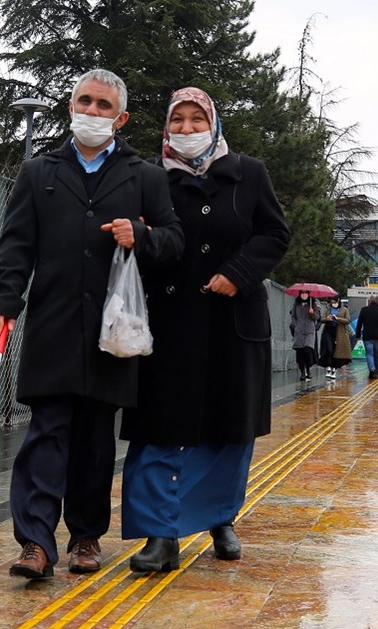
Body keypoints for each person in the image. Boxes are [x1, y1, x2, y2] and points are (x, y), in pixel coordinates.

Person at [0, 69, 184, 580]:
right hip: (53, 322)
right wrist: (5, 301)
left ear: (120, 118)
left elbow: (174, 241)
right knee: (47, 431)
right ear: (70, 107)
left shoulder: (145, 176)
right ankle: (34, 542)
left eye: (103, 106)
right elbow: (16, 245)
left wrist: (140, 234)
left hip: (112, 332)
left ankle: (85, 537)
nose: (92, 112)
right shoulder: (39, 172)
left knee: (96, 437)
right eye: (84, 101)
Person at [118, 86, 290, 572]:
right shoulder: (152, 177)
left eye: (198, 119)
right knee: (159, 428)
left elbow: (274, 233)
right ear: (167, 127)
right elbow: (141, 237)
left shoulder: (249, 172)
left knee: (228, 427)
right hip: (170, 322)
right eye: (179, 120)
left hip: (234, 323)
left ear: (213, 124)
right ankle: (159, 534)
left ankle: (221, 517)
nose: (188, 129)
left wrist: (239, 272)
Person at [354, 295, 378, 379]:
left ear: (370, 301)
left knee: (369, 354)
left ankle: (371, 368)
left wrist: (358, 334)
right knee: (377, 355)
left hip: (367, 336)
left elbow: (359, 324)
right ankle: (376, 373)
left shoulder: (364, 310)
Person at [317, 295, 351, 379]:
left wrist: (338, 318)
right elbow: (322, 319)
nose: (333, 304)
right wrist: (327, 318)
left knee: (337, 352)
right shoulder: (328, 308)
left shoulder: (344, 309)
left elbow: (347, 320)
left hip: (339, 333)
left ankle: (334, 369)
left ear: (338, 301)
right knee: (329, 349)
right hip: (329, 331)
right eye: (331, 302)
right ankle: (328, 367)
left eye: (334, 302)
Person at [290, 291, 320, 381]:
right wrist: (295, 326)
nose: (304, 295)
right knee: (300, 351)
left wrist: (312, 313)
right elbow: (293, 316)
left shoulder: (313, 304)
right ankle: (302, 372)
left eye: (306, 293)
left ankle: (308, 369)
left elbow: (317, 317)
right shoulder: (296, 305)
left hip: (309, 331)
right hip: (299, 331)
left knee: (307, 349)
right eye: (302, 293)